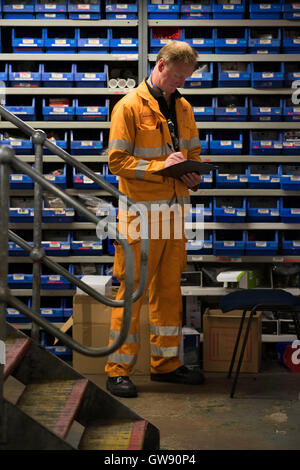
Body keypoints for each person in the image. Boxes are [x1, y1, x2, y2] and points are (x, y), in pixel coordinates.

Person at [105, 41, 204, 398]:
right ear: (160, 65)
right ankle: (117, 370)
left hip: (174, 216)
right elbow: (117, 162)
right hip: (139, 218)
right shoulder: (128, 106)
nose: (179, 84)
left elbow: (191, 152)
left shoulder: (184, 106)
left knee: (168, 293)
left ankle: (166, 365)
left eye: (185, 78)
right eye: (176, 76)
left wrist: (193, 173)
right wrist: (163, 168)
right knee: (131, 295)